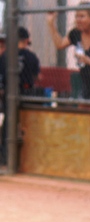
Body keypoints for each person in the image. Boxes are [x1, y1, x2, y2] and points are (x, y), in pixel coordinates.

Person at [46, 2, 90, 105]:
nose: (78, 20)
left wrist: (89, 61)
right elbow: (60, 44)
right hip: (87, 81)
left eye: (82, 16)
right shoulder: (76, 33)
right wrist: (51, 23)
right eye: (76, 16)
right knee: (83, 113)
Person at [0, 27, 40, 164]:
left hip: (9, 92)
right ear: (27, 40)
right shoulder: (32, 56)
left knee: (9, 124)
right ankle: (26, 157)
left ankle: (6, 156)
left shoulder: (6, 55)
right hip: (26, 91)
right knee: (25, 122)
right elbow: (36, 76)